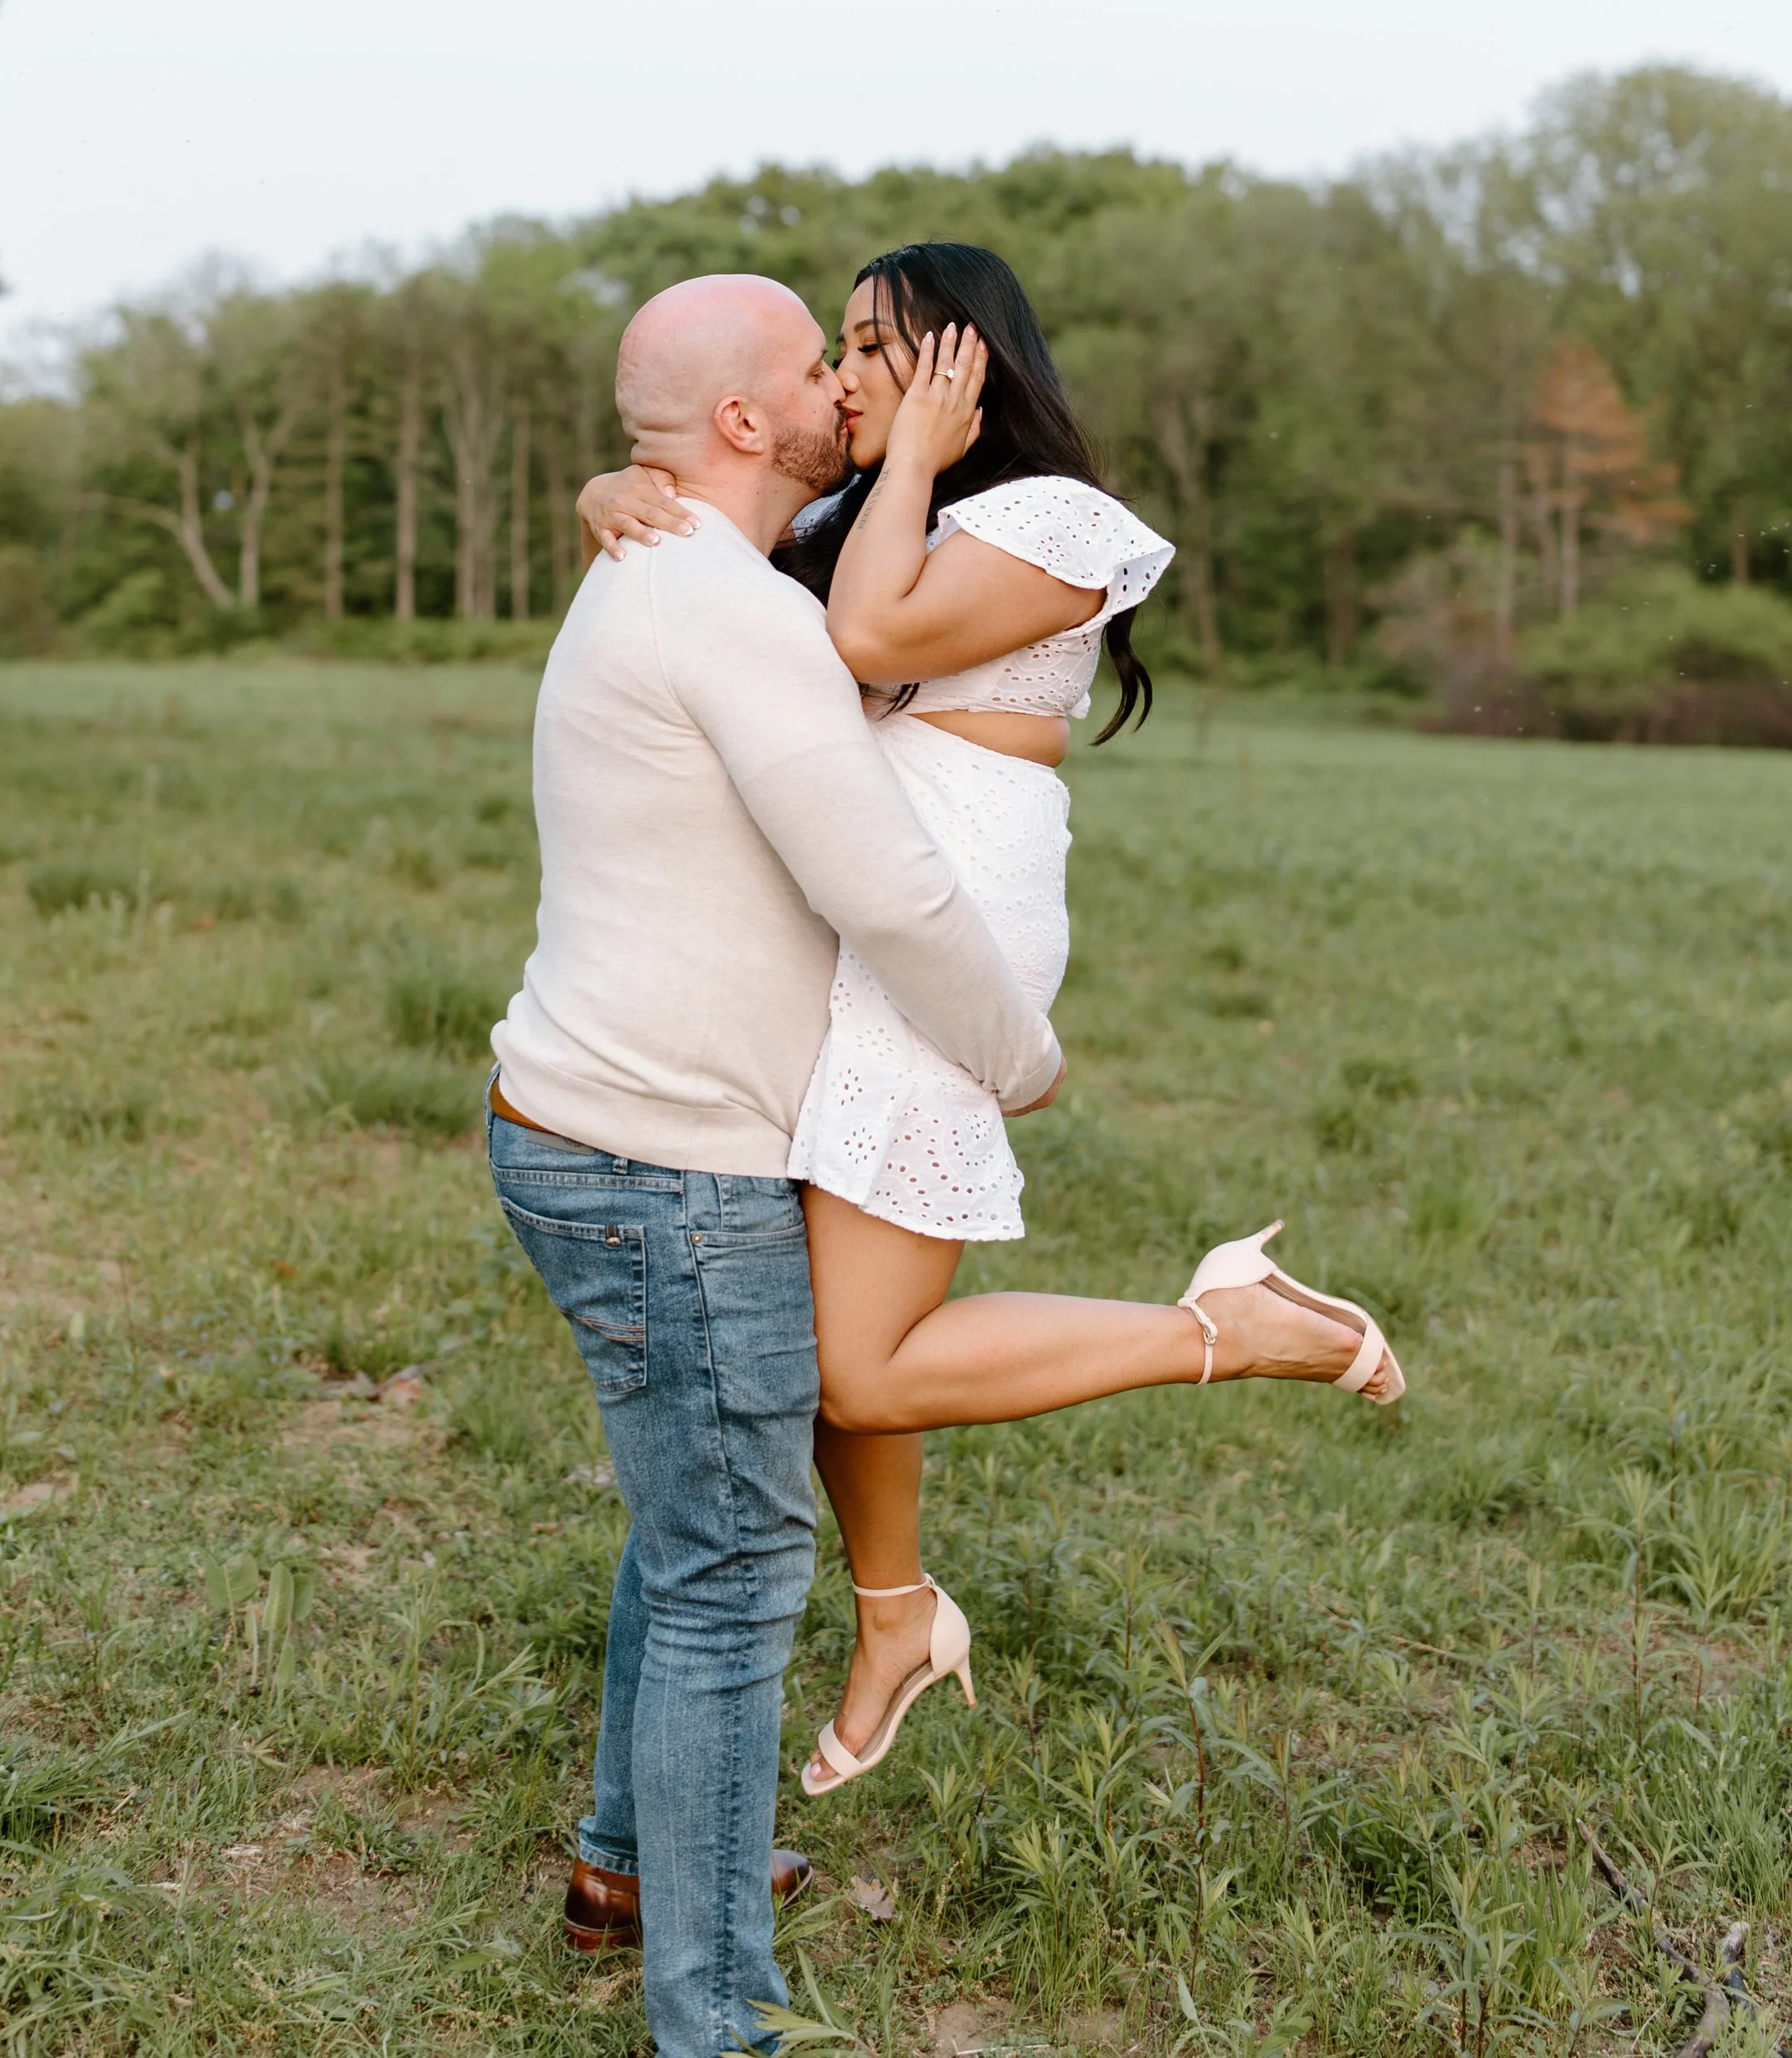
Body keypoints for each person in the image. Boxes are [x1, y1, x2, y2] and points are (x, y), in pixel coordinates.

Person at [578, 241, 1402, 1803]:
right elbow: (717, 551)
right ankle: (893, 1613)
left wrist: (914, 465)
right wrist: (612, 492)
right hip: (861, 926)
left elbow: (867, 641)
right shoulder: (878, 509)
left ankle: (1232, 1327)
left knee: (858, 1366)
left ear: (965, 364)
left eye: (876, 347)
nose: (844, 375)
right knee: (837, 1339)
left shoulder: (1052, 520)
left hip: (949, 913)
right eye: (835, 346)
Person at [487, 272, 1064, 2058]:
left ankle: (626, 1872)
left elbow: (842, 543)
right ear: (743, 426)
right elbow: (884, 880)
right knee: (737, 1570)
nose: (841, 386)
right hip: (663, 1166)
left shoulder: (669, 563)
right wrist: (1015, 1052)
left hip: (576, 1129)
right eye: (816, 365)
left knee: (690, 1532)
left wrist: (620, 477)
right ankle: (715, 2020)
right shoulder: (722, 605)